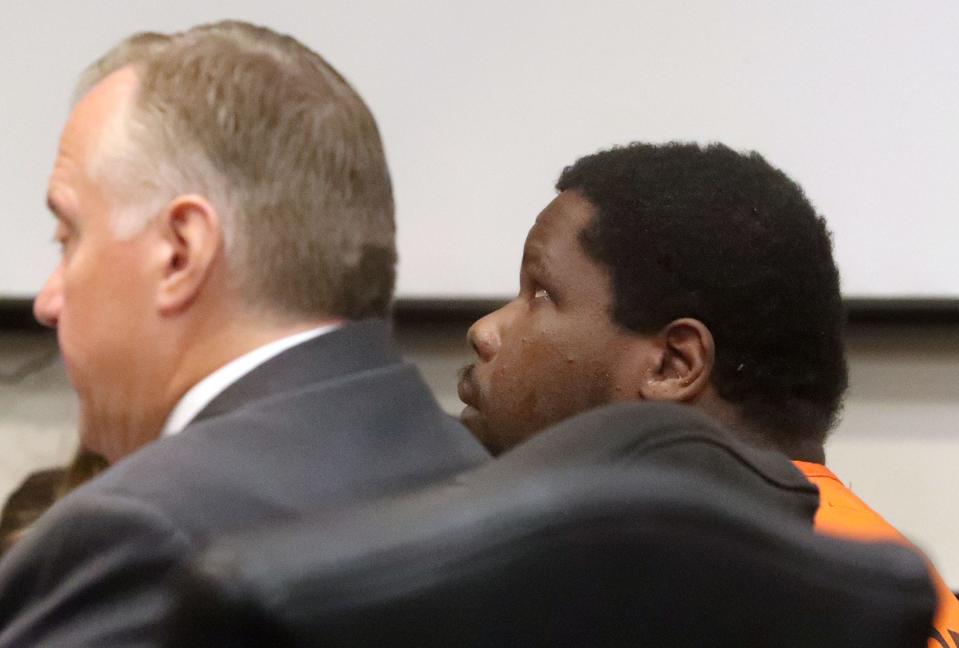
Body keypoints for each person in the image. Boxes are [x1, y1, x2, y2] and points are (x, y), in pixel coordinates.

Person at [0, 21, 485, 645]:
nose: (47, 301)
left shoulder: (140, 532)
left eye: (68, 238)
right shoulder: (465, 460)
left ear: (180, 252)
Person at [458, 142, 958, 646]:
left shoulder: (704, 603)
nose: (485, 331)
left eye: (541, 294)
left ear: (673, 365)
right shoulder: (877, 580)